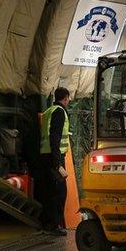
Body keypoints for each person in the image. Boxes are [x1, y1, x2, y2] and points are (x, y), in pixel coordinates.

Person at [39, 87, 71, 236]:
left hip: (45, 155)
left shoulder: (48, 111)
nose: (69, 101)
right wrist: (57, 162)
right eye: (68, 98)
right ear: (65, 98)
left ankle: (47, 223)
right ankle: (54, 225)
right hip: (54, 156)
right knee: (60, 192)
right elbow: (55, 136)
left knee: (49, 190)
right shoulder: (59, 112)